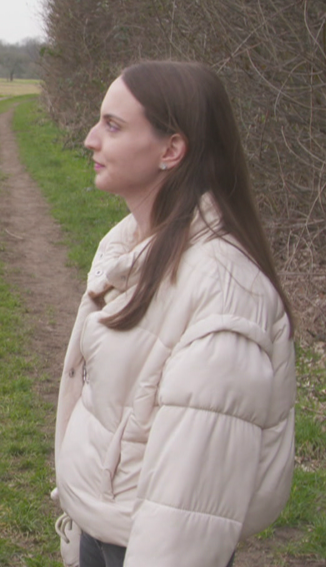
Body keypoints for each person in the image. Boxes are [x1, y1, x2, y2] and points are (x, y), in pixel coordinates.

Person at [51, 61, 295, 567]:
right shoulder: (128, 245)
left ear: (171, 150)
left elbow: (189, 515)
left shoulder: (224, 293)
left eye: (113, 125)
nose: (90, 140)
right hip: (105, 529)